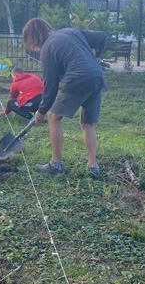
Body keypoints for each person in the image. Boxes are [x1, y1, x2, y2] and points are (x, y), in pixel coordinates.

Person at [21, 18, 106, 178]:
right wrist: (97, 57)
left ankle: (56, 164)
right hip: (96, 76)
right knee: (87, 123)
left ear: (35, 37)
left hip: (78, 79)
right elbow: (102, 37)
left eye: (33, 45)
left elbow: (50, 86)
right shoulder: (71, 31)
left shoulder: (48, 48)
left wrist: (41, 111)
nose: (36, 49)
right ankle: (93, 166)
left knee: (53, 117)